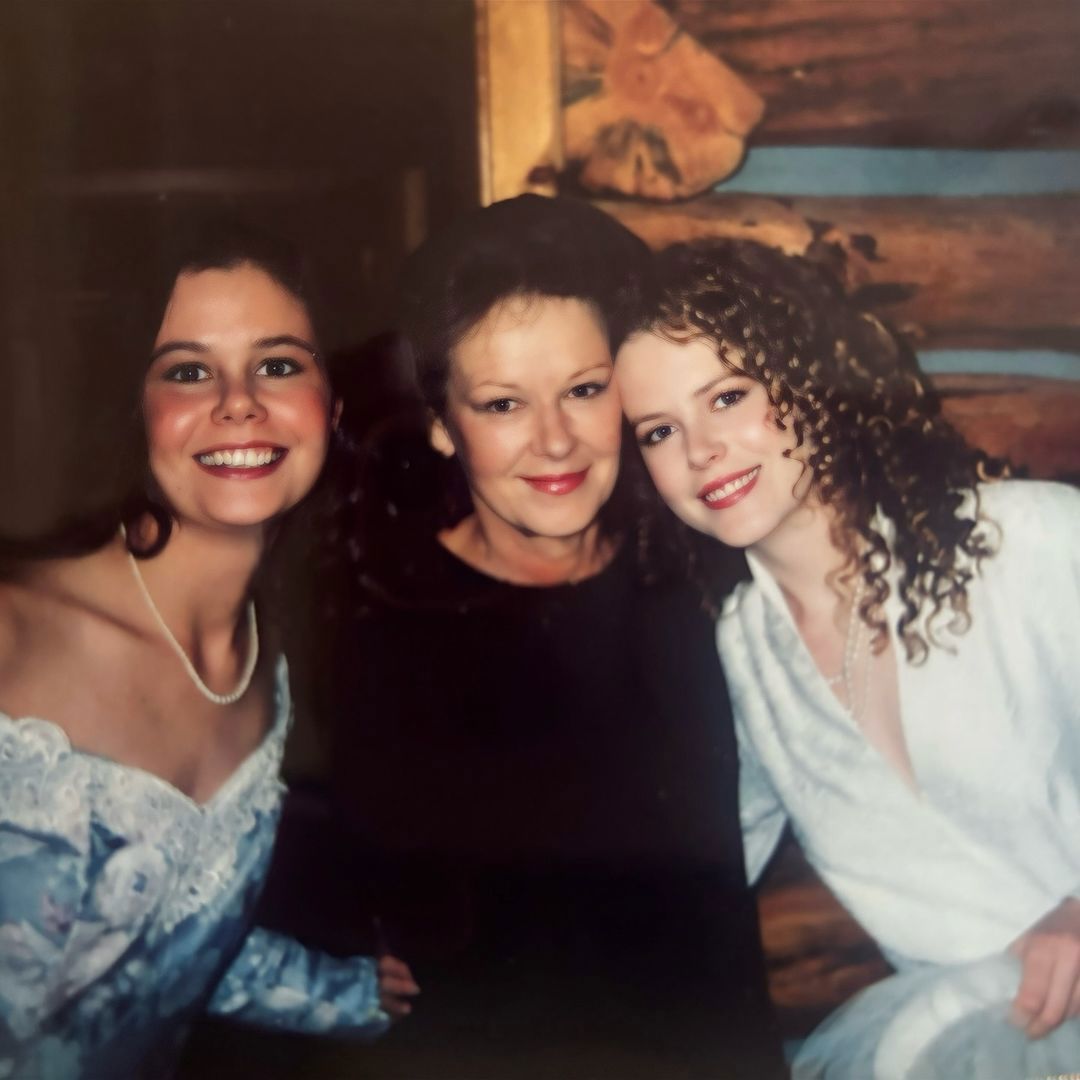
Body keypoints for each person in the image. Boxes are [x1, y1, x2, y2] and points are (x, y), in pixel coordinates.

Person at [302, 196, 785, 1078]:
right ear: (444, 424)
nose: (555, 440)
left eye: (585, 390)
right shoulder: (379, 624)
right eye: (502, 404)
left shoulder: (704, 579)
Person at [613, 237, 1080, 1078]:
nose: (700, 450)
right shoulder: (738, 655)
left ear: (807, 377)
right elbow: (695, 866)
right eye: (658, 429)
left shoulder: (1033, 538)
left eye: (727, 396)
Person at [0, 223, 418, 1080]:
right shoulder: (14, 630)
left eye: (279, 364)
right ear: (136, 410)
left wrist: (356, 995)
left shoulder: (273, 672)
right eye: (189, 370)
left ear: (331, 407)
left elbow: (161, 951)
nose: (239, 401)